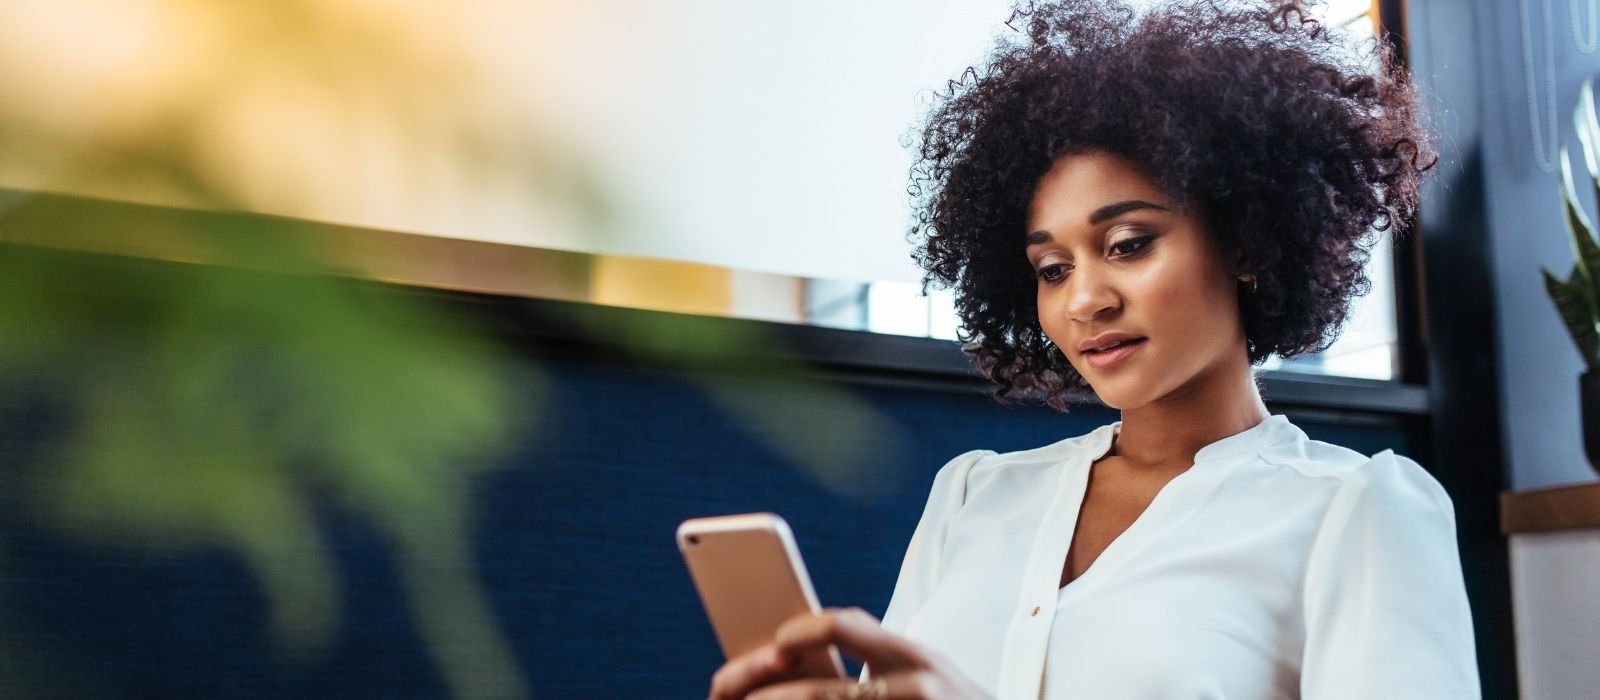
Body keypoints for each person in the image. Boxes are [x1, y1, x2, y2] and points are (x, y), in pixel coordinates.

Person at [707, 0, 1480, 698]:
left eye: (1129, 243)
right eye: (1053, 268)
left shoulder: (1355, 510)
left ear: (1245, 241)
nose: (1085, 300)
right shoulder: (973, 496)